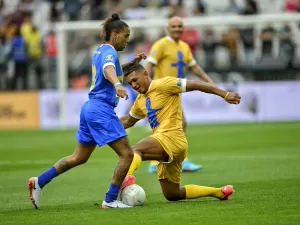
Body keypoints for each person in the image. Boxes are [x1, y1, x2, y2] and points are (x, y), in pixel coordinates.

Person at [28, 13, 146, 209]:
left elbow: (111, 69)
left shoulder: (101, 50)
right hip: (101, 109)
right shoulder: (110, 53)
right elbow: (110, 70)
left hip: (89, 108)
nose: (128, 40)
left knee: (79, 157)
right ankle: (110, 200)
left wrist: (131, 64)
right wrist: (117, 84)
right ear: (115, 33)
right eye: (126, 35)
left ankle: (39, 182)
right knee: (127, 155)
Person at [119, 64, 240, 202]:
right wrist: (101, 126)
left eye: (135, 80)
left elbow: (196, 84)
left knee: (134, 151)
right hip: (167, 146)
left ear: (145, 74)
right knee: (172, 194)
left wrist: (225, 94)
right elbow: (127, 121)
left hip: (173, 137)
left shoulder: (165, 84)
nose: (133, 85)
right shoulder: (140, 101)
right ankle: (219, 192)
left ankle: (126, 179)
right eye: (130, 83)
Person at [146, 16, 215, 173]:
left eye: (179, 26)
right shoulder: (161, 44)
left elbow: (194, 67)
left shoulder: (184, 46)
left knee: (172, 126)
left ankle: (159, 162)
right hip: (162, 91)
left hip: (175, 93)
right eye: (174, 26)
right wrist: (148, 87)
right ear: (168, 28)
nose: (177, 29)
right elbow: (149, 65)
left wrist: (208, 81)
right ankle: (178, 161)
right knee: (177, 124)